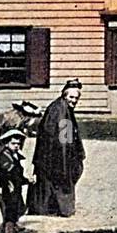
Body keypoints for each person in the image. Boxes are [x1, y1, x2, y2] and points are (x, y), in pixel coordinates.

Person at [30, 79, 86, 217]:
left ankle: (46, 208)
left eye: (76, 98)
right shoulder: (62, 111)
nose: (74, 101)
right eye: (71, 97)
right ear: (64, 95)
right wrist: (68, 158)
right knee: (61, 180)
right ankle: (58, 209)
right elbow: (64, 140)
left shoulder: (59, 107)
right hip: (55, 155)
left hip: (48, 154)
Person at [0, 128, 31, 233]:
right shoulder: (4, 156)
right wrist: (11, 184)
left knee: (15, 212)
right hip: (9, 190)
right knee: (10, 215)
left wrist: (26, 180)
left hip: (15, 189)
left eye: (18, 144)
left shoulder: (13, 155)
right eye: (13, 143)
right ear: (6, 143)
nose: (16, 146)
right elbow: (7, 173)